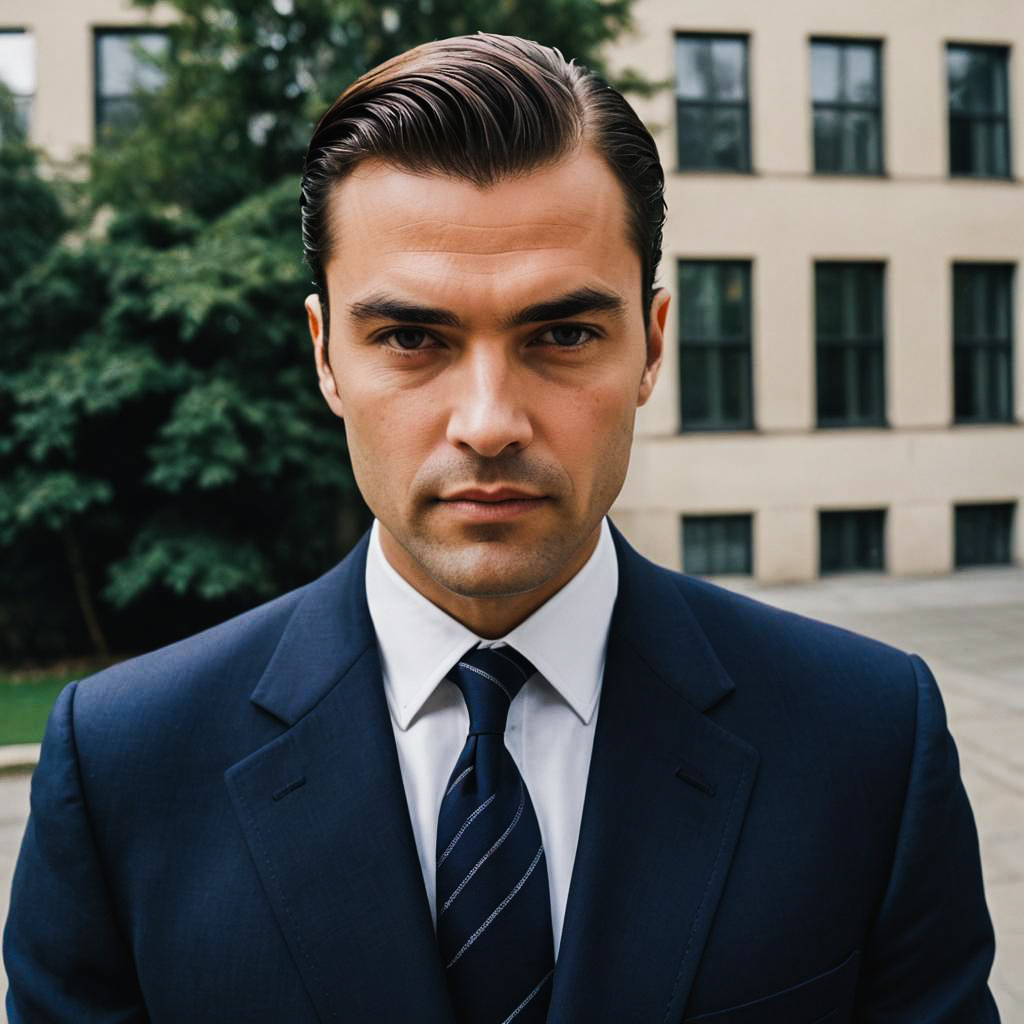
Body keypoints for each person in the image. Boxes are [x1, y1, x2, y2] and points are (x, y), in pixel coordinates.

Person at [3, 33, 1000, 1024]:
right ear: (327, 357)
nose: (487, 421)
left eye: (561, 333)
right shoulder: (124, 769)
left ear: (651, 346)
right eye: (410, 337)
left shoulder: (865, 742)